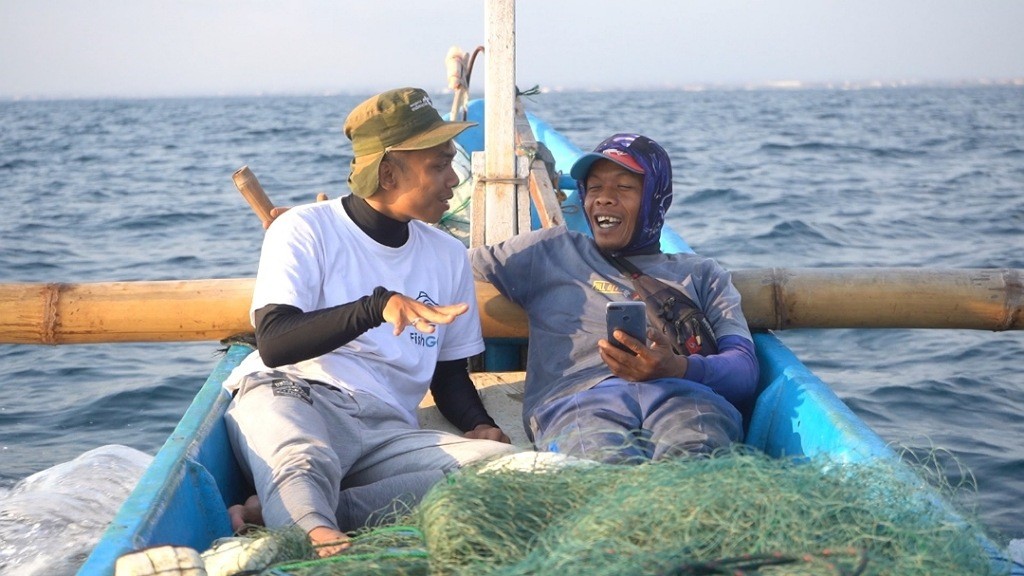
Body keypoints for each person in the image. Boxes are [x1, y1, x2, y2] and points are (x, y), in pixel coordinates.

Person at [222, 87, 518, 556]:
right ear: (386, 172)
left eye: (451, 164)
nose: (454, 182)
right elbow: (275, 341)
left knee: (499, 469)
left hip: (385, 427)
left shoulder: (446, 255)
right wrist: (375, 306)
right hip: (295, 393)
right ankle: (321, 541)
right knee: (303, 460)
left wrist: (478, 424)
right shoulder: (303, 228)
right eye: (438, 166)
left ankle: (277, 515)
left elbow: (448, 373)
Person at [470, 133, 759, 464]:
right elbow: (447, 265)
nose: (604, 199)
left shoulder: (702, 274)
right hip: (579, 402)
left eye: (624, 188)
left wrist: (677, 367)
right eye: (594, 188)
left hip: (687, 399)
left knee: (693, 465)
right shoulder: (549, 252)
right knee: (603, 465)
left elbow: (744, 370)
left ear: (655, 198)